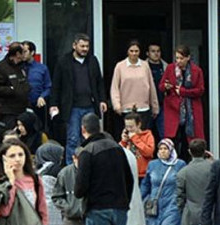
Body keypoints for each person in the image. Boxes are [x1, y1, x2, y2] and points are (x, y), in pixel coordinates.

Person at [50, 33, 108, 164]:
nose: (85, 49)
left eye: (87, 46)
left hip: (90, 106)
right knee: (73, 138)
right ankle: (72, 167)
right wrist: (54, 104)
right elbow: (56, 85)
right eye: (82, 46)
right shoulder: (63, 61)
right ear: (74, 45)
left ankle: (90, 163)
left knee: (91, 137)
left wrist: (102, 100)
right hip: (72, 107)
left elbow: (99, 82)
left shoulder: (92, 60)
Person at [141, 139, 186, 225]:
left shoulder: (179, 165)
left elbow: (184, 183)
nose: (162, 151)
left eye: (165, 149)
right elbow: (146, 184)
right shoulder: (153, 165)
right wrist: (140, 199)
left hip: (172, 203)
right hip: (155, 205)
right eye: (160, 149)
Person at [159, 44, 205, 161]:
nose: (178, 61)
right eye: (177, 58)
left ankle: (188, 161)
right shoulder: (170, 68)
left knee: (189, 138)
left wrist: (183, 91)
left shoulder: (196, 70)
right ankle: (172, 161)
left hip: (191, 110)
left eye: (181, 58)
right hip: (173, 109)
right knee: (173, 137)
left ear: (188, 57)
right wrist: (166, 86)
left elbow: (200, 90)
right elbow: (161, 86)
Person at [119, 112, 155, 225]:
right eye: (127, 127)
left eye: (132, 126)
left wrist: (135, 139)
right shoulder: (127, 139)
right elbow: (119, 154)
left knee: (144, 206)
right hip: (129, 176)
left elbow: (149, 152)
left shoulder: (147, 135)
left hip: (144, 175)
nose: (129, 129)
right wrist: (123, 142)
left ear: (139, 125)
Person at [110, 39, 159, 137]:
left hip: (143, 108)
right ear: (127, 52)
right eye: (131, 51)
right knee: (128, 137)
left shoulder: (145, 66)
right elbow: (115, 87)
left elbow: (151, 86)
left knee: (143, 137)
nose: (134, 53)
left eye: (136, 51)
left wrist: (155, 106)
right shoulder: (120, 66)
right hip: (126, 109)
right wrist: (116, 105)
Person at [0, 42, 30, 137]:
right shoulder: (1, 67)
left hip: (21, 111)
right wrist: (12, 90)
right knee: (7, 138)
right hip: (7, 112)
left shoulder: (21, 67)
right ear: (17, 54)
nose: (25, 54)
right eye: (23, 52)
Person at [22, 40, 52, 132]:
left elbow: (48, 87)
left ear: (32, 52)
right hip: (21, 105)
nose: (22, 54)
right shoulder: (17, 68)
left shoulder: (42, 68)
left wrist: (42, 97)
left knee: (38, 130)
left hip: (37, 104)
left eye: (25, 51)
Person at [146, 42, 168, 143]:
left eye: (158, 51)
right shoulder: (143, 67)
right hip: (147, 105)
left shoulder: (166, 67)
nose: (156, 54)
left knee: (164, 134)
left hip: (163, 104)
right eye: (153, 51)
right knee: (146, 134)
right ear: (147, 53)